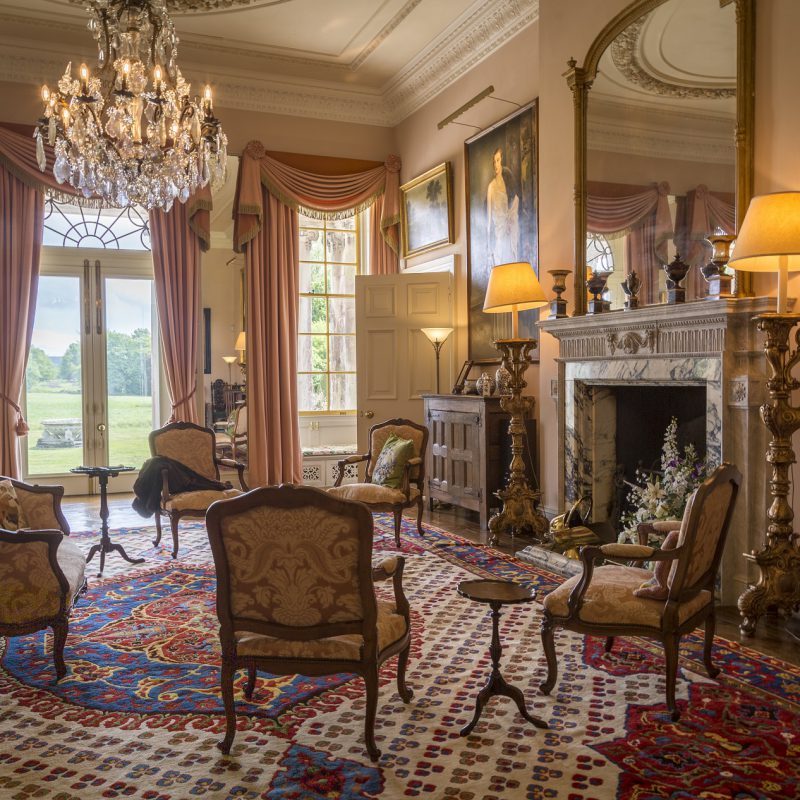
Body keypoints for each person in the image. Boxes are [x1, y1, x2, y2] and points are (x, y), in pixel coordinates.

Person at [486, 147, 519, 266]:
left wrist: (510, 219)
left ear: (502, 160)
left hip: (510, 232)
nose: (495, 164)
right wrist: (489, 247)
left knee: (511, 261)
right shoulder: (491, 187)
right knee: (500, 261)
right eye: (494, 161)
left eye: (498, 160)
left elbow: (515, 202)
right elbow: (488, 220)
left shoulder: (508, 182)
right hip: (499, 233)